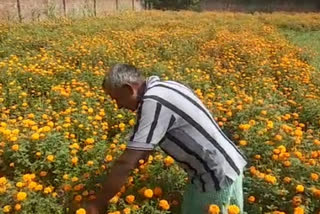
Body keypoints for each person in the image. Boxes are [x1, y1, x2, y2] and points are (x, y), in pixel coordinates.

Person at [84, 63, 248, 214]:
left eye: (117, 99)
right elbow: (143, 146)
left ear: (128, 89)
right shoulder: (164, 87)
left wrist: (98, 203)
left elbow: (127, 163)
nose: (118, 106)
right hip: (216, 170)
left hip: (214, 176)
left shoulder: (154, 102)